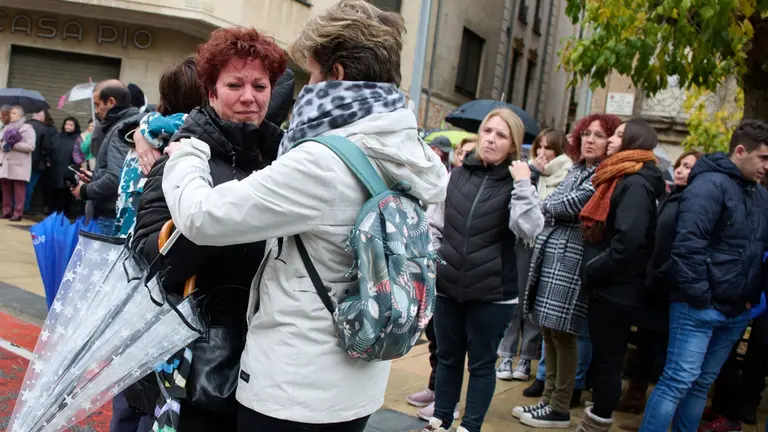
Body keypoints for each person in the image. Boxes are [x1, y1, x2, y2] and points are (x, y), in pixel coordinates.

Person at [161, 2, 448, 430]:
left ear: (336, 75)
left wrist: (186, 152)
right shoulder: (408, 148)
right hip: (359, 380)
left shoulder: (323, 162)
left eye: (311, 73)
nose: (306, 86)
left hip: (294, 388)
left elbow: (201, 217)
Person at [124, 48, 266, 431]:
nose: (248, 97)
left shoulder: (279, 162)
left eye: (259, 86)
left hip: (268, 365)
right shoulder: (180, 160)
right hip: (196, 360)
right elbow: (147, 260)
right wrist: (209, 221)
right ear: (211, 93)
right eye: (234, 85)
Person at [419, 108, 543, 432]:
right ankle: (439, 421)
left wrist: (523, 183)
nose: (491, 139)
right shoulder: (457, 176)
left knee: (482, 365)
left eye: (501, 135)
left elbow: (529, 228)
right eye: (488, 131)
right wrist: (437, 260)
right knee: (447, 358)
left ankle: (469, 426)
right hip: (448, 288)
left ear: (513, 144)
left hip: (493, 294)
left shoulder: (518, 183)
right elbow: (434, 224)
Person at [640, 119, 768, 432]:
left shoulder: (760, 195)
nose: (767, 166)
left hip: (735, 311)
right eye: (763, 157)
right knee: (677, 381)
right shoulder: (709, 186)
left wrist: (749, 299)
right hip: (698, 307)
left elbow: (757, 251)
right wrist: (700, 297)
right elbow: (688, 246)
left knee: (700, 384)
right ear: (741, 151)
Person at [514, 114, 621, 428]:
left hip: (573, 257)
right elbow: (558, 201)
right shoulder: (578, 169)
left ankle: (559, 406)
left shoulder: (602, 174)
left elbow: (568, 204)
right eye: (586, 134)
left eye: (598, 135)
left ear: (610, 141)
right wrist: (549, 206)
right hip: (553, 253)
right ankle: (547, 400)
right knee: (548, 330)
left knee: (563, 334)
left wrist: (542, 206)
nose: (589, 140)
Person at [576, 118, 665, 431]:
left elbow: (628, 241)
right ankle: (598, 415)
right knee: (605, 359)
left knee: (608, 361)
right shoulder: (622, 176)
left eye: (617, 135)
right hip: (612, 285)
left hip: (617, 288)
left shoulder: (635, 183)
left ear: (632, 141)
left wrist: (593, 269)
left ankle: (597, 422)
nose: (611, 140)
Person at [615, 150, 702, 429]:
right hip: (652, 283)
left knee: (663, 353)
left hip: (668, 286)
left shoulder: (692, 202)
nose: (681, 170)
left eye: (689, 166)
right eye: (680, 165)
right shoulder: (668, 196)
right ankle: (636, 397)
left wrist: (660, 276)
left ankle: (652, 413)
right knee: (645, 344)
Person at [498, 129, 572, 382]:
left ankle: (526, 358)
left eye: (548, 148)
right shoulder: (527, 172)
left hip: (548, 247)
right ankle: (506, 355)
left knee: (534, 305)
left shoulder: (567, 174)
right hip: (522, 244)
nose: (541, 153)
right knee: (515, 301)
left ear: (559, 150)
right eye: (539, 146)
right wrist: (532, 174)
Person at [71, 80, 138, 234]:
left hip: (110, 216)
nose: (96, 111)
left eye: (97, 105)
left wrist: (84, 190)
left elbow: (115, 178)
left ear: (111, 102)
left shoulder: (122, 129)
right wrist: (95, 176)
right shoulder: (129, 124)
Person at [0, 105, 36, 221]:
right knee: (6, 187)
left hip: (20, 164)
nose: (11, 115)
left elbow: (31, 146)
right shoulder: (6, 127)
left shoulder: (28, 128)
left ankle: (18, 212)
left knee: (19, 189)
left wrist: (13, 145)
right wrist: (3, 145)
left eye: (14, 113)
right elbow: (2, 143)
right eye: (11, 113)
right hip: (6, 162)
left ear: (21, 115)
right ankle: (6, 211)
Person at [47, 117, 82, 216]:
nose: (68, 127)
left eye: (71, 125)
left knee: (68, 192)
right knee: (55, 191)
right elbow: (50, 149)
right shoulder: (57, 137)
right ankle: (54, 211)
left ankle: (66, 212)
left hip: (70, 169)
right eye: (66, 124)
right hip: (56, 168)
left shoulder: (78, 139)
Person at [26, 110, 55, 213]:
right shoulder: (44, 129)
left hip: (22, 162)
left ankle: (14, 207)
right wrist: (47, 160)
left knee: (19, 185)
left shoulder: (24, 125)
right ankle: (25, 207)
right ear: (41, 117)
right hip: (37, 163)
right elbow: (46, 148)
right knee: (30, 185)